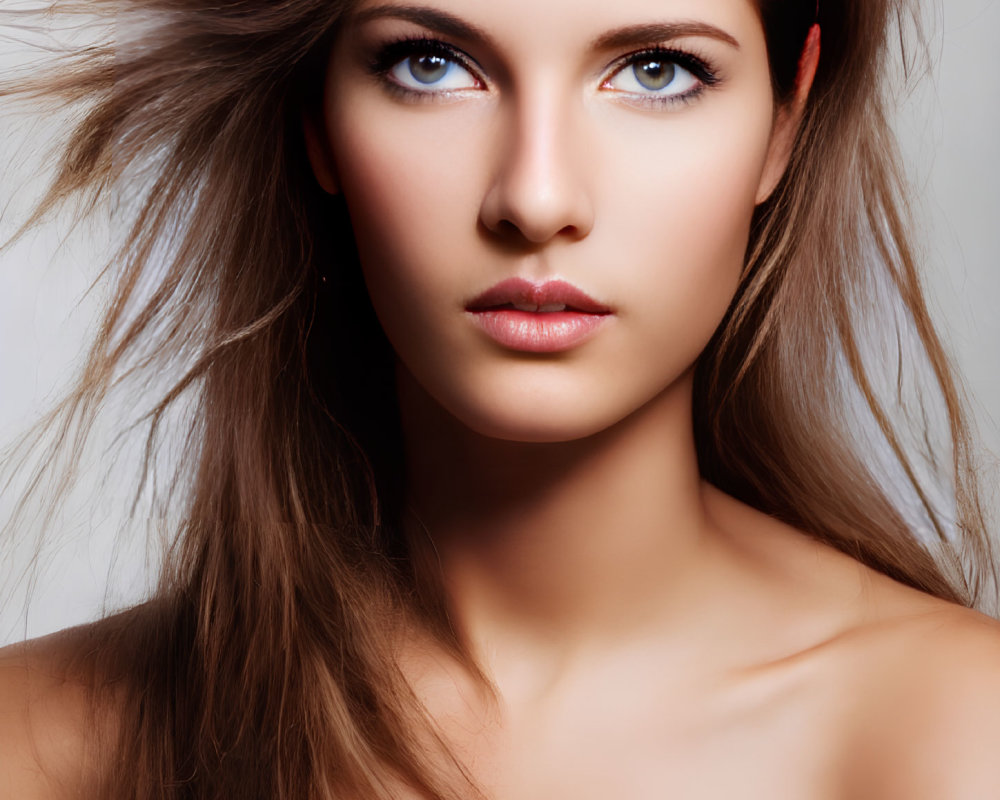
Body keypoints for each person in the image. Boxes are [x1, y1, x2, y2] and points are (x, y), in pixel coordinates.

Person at [1, 0, 999, 797]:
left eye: (657, 69)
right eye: (430, 62)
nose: (536, 197)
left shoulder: (956, 732)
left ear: (786, 117)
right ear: (316, 122)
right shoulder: (41, 742)